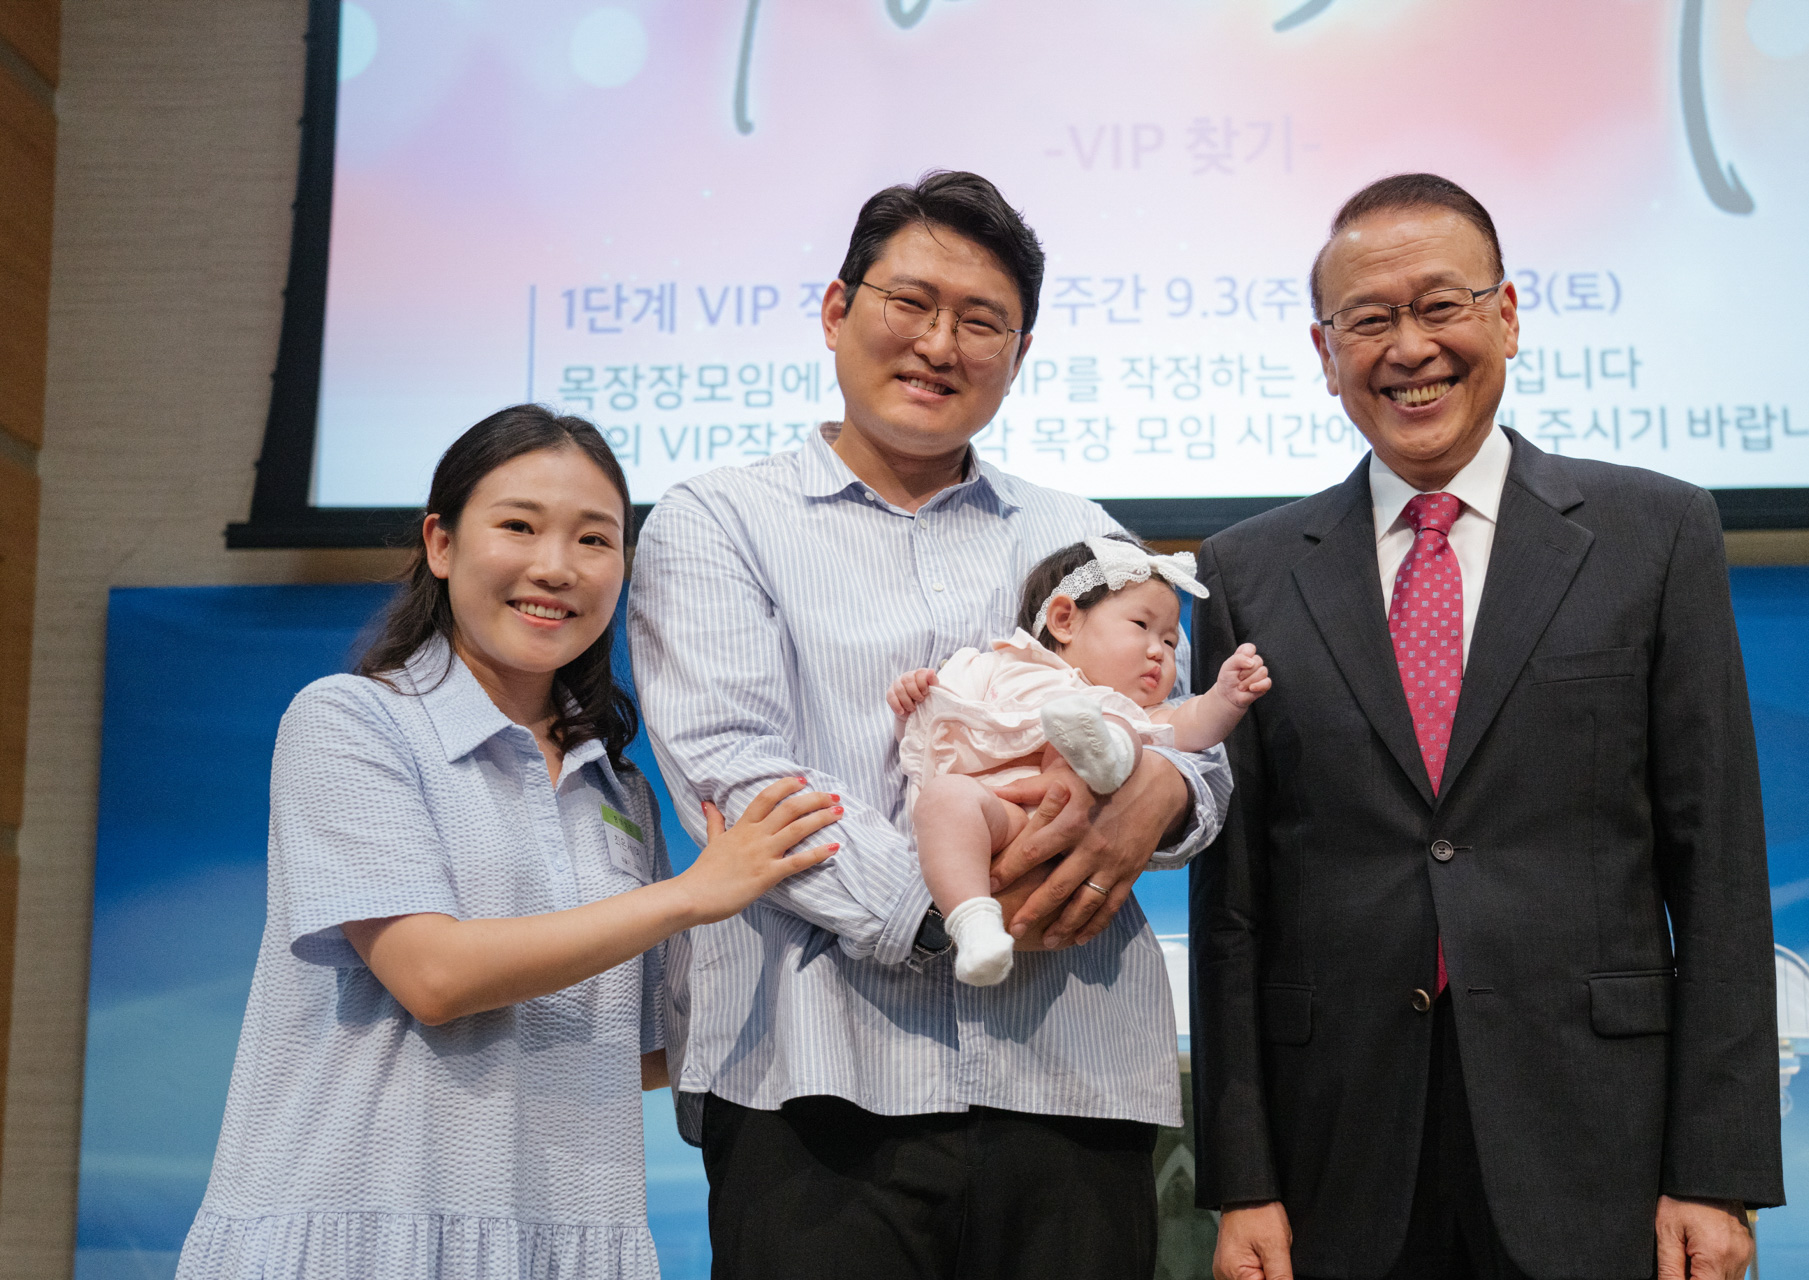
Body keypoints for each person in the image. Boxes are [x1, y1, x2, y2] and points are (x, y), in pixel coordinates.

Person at [630, 170, 1231, 1279]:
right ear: (836, 310)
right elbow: (737, 768)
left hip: (1070, 1072)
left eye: (981, 320)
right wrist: (954, 913)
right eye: (909, 302)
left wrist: (1163, 792)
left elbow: (1186, 742)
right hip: (814, 1080)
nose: (939, 343)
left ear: (1020, 350)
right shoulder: (716, 520)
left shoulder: (1083, 535)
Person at [1191, 174, 1782, 1280]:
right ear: (1325, 353)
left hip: (1599, 1143)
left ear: (1506, 316)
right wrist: (1242, 1179)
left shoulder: (1656, 533)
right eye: (1369, 319)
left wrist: (1717, 1168)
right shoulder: (1246, 571)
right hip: (1338, 1154)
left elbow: (1720, 873)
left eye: (1440, 305)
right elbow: (1233, 911)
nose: (1409, 347)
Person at [177, 406, 839, 1279]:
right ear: (441, 544)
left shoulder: (622, 791)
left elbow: (635, 1047)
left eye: (594, 540)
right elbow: (432, 976)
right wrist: (690, 895)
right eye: (519, 526)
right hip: (366, 1231)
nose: (556, 567)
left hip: (565, 1235)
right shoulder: (350, 722)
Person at [890, 535, 1270, 985]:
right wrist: (913, 697)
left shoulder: (1136, 709)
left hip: (1081, 828)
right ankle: (974, 925)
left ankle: (1103, 757)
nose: (1159, 651)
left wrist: (1225, 698)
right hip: (1000, 818)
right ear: (1064, 620)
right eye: (1142, 626)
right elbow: (934, 728)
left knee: (1120, 726)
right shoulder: (994, 667)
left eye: (1170, 641)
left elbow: (1193, 725)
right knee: (944, 798)